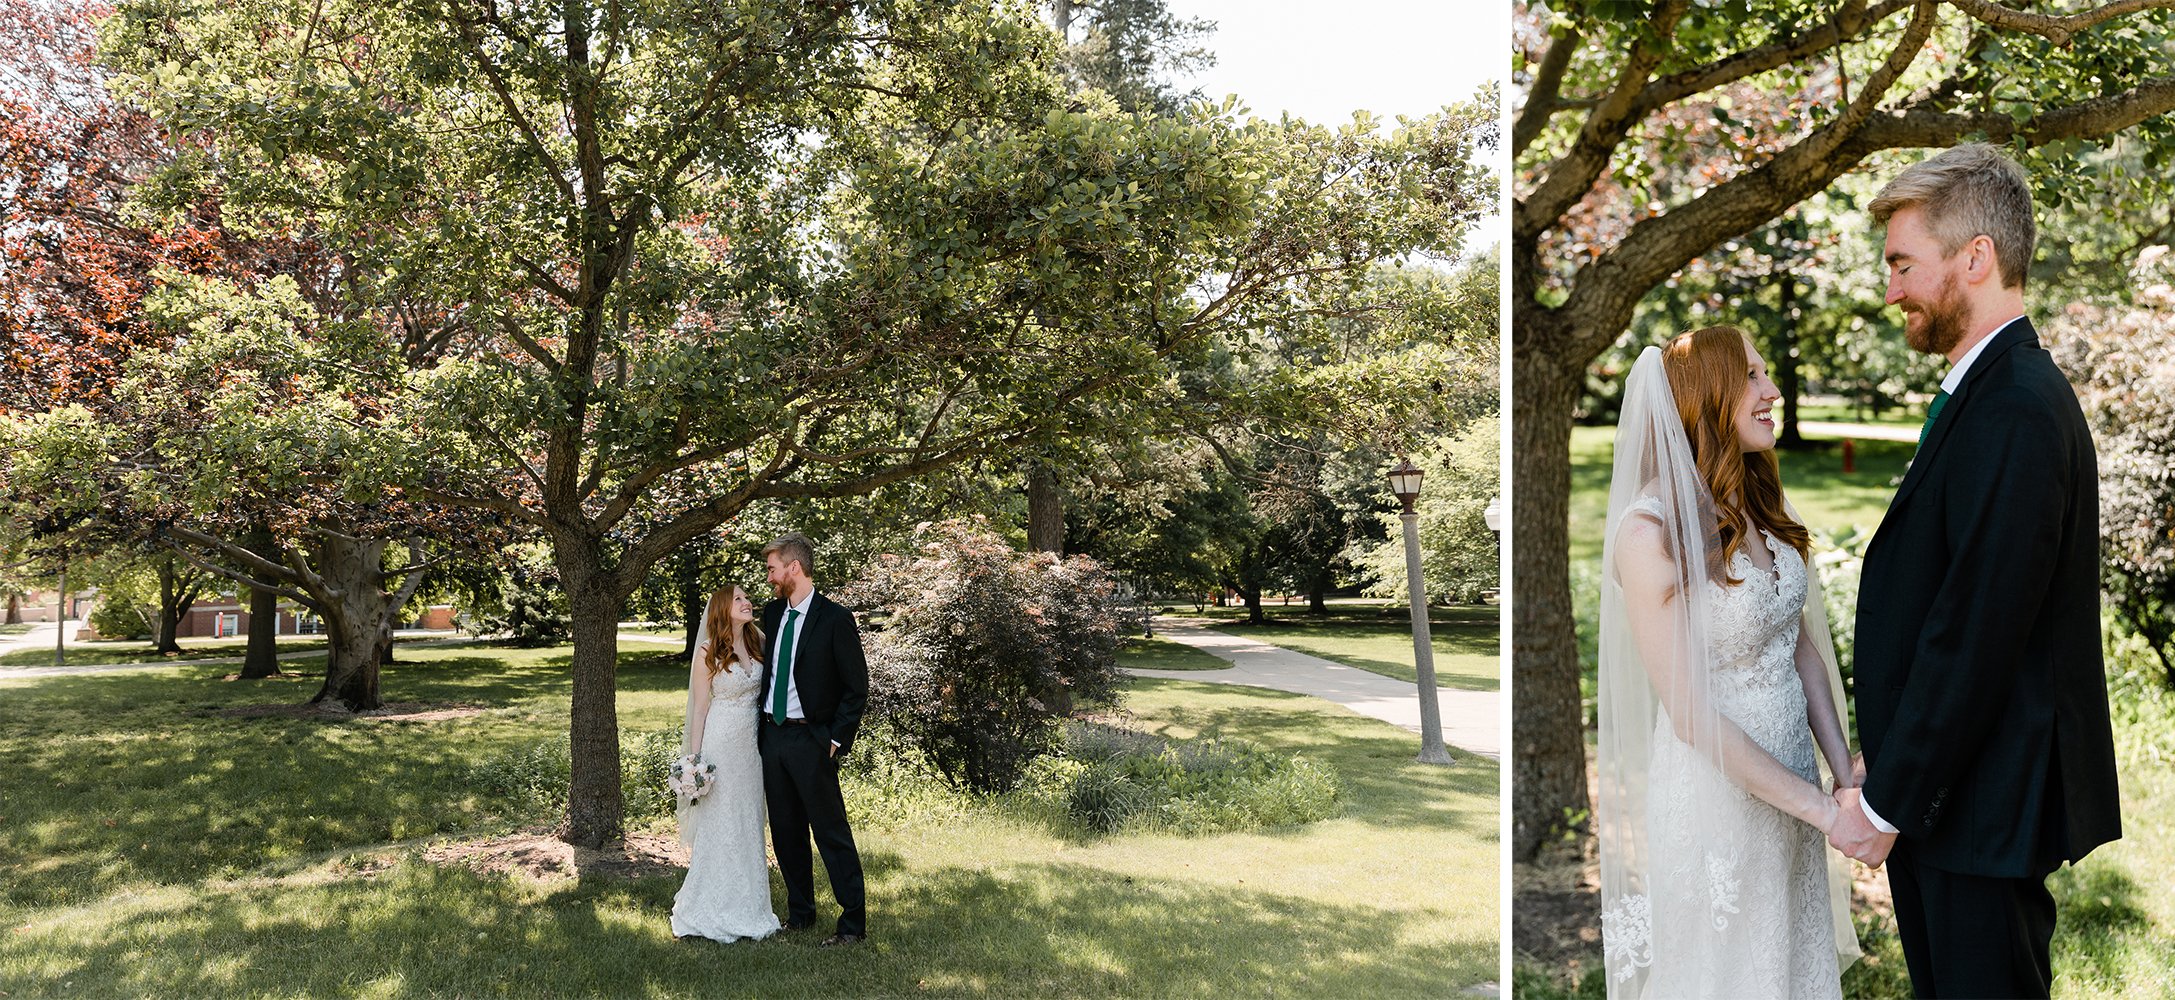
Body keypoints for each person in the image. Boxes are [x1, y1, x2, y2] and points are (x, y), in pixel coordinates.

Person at [1829, 142, 2121, 998]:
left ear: (1975, 258)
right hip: (1953, 801)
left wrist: (1887, 804)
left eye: (1902, 264)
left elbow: (1977, 631)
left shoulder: (2016, 408)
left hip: (1978, 805)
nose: (1889, 291)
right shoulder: (1989, 392)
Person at [1595, 326, 1861, 998]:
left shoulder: (1757, 501)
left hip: (1793, 784)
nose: (1770, 390)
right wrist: (1825, 814)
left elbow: (1795, 641)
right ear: (1706, 393)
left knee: (1788, 959)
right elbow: (1687, 714)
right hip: (1717, 792)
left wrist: (1839, 778)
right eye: (1750, 375)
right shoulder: (1647, 532)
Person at [757, 532, 870, 946]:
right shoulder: (771, 615)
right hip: (772, 738)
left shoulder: (835, 619)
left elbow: (856, 688)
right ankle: (800, 914)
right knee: (786, 832)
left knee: (830, 832)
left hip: (813, 741)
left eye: (772, 569)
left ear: (794, 568)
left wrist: (836, 739)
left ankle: (853, 923)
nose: (769, 577)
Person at [669, 584, 782, 943]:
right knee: (722, 821)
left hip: (752, 747)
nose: (747, 602)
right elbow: (700, 711)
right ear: (722, 608)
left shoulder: (758, 641)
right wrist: (696, 763)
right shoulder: (707, 652)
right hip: (720, 744)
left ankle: (751, 904)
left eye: (747, 598)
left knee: (749, 819)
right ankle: (711, 903)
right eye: (739, 599)